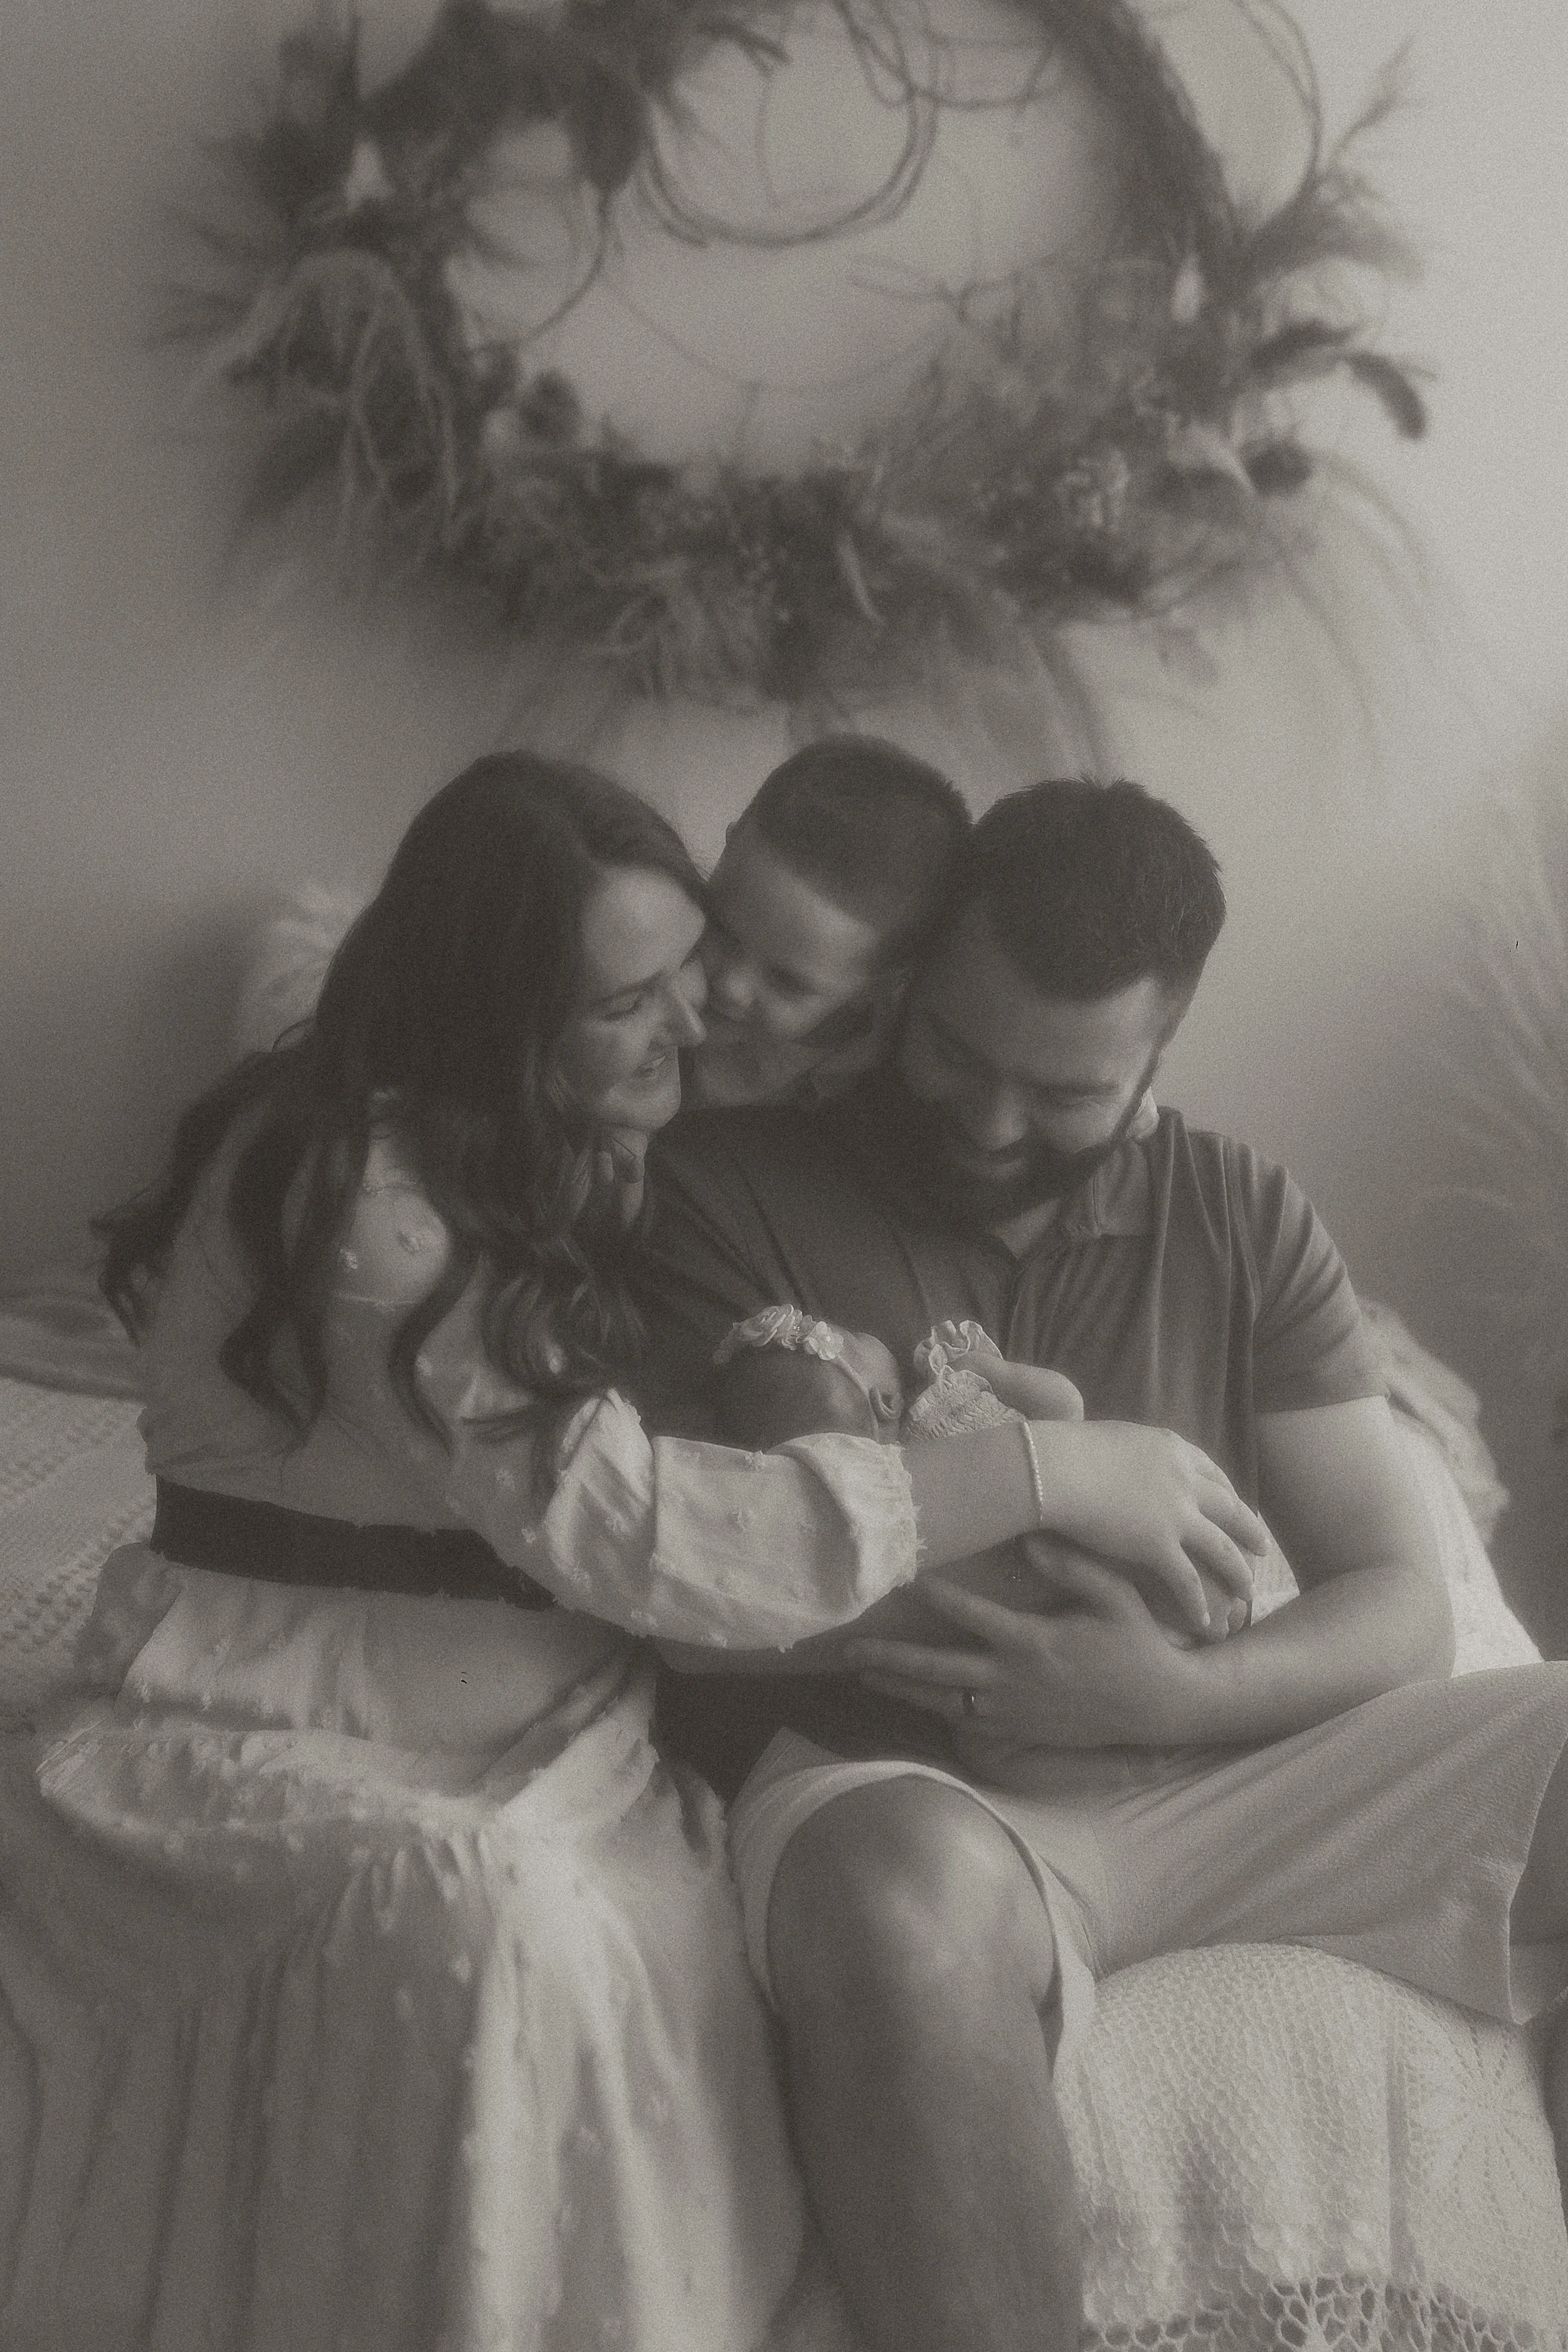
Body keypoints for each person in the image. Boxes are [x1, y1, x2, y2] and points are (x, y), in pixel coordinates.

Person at [4, 754, 1265, 2352]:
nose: (700, 1023)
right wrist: (1045, 1469)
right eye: (636, 997)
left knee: (669, 1925)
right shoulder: (364, 1197)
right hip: (299, 1695)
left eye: (697, 973)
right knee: (482, 1916)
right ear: (501, 1000)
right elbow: (640, 1527)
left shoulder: (575, 1142)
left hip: (539, 1701)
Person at [633, 775, 1568, 2352]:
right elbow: (716, 1575)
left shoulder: (1240, 1211)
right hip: (909, 1788)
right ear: (913, 980)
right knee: (898, 1902)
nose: (991, 1121)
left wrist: (1165, 1692)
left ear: (1157, 1054)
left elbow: (1401, 1603)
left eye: (1063, 1092)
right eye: (956, 1053)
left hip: (1236, 1773)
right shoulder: (726, 1186)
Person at [687, 733, 972, 1108]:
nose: (729, 986)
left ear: (873, 993)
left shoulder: (877, 1079)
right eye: (721, 930)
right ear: (727, 849)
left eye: (786, 982)